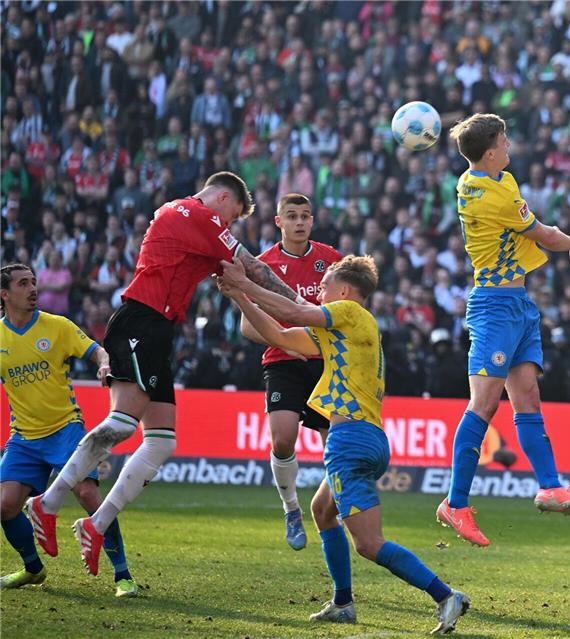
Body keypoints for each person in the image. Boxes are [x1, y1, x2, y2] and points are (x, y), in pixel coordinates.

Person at [26, 172, 303, 575]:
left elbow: (230, 274)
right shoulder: (198, 215)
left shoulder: (180, 216)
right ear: (223, 197)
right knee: (121, 425)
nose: (230, 225)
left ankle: (95, 524)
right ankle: (46, 503)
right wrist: (305, 309)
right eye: (233, 216)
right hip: (141, 321)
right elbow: (253, 268)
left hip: (157, 329)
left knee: (160, 442)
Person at [218, 254, 470, 634]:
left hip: (350, 440)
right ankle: (342, 603)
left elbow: (292, 311)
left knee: (369, 544)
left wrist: (243, 285)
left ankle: (446, 595)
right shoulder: (346, 331)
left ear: (345, 291)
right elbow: (280, 336)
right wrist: (240, 298)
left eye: (324, 286)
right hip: (365, 435)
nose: (319, 292)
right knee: (322, 510)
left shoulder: (350, 313)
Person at [437, 113, 570, 547]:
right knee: (483, 405)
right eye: (504, 142)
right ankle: (456, 503)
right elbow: (541, 232)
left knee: (527, 397)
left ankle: (549, 485)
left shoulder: (492, 181)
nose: (509, 148)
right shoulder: (490, 193)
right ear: (490, 151)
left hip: (519, 305)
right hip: (493, 306)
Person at [1, 264, 137, 596]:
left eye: (34, 282)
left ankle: (123, 576)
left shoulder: (57, 326)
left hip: (66, 430)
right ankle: (33, 569)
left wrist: (104, 364)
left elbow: (96, 350)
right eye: (23, 284)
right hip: (24, 437)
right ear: (4, 295)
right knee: (4, 506)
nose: (33, 288)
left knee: (89, 495)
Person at [240, 192, 341, 550]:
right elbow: (248, 325)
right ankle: (291, 509)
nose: (299, 222)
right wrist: (284, 343)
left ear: (312, 221)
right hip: (282, 361)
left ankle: (333, 506)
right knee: (283, 439)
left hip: (325, 362)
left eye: (305, 216)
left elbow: (348, 311)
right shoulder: (263, 265)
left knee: (336, 443)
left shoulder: (331, 261)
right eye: (292, 216)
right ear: (279, 222)